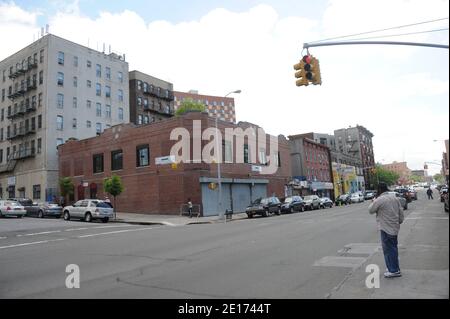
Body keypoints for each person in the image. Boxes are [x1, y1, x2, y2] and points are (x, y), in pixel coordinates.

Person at [369, 182, 404, 278]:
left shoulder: (380, 199)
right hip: (394, 227)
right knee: (393, 248)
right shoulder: (394, 198)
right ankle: (394, 268)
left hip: (385, 228)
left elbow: (370, 210)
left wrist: (373, 201)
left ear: (379, 190)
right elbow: (401, 212)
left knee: (388, 250)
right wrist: (399, 222)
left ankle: (394, 270)